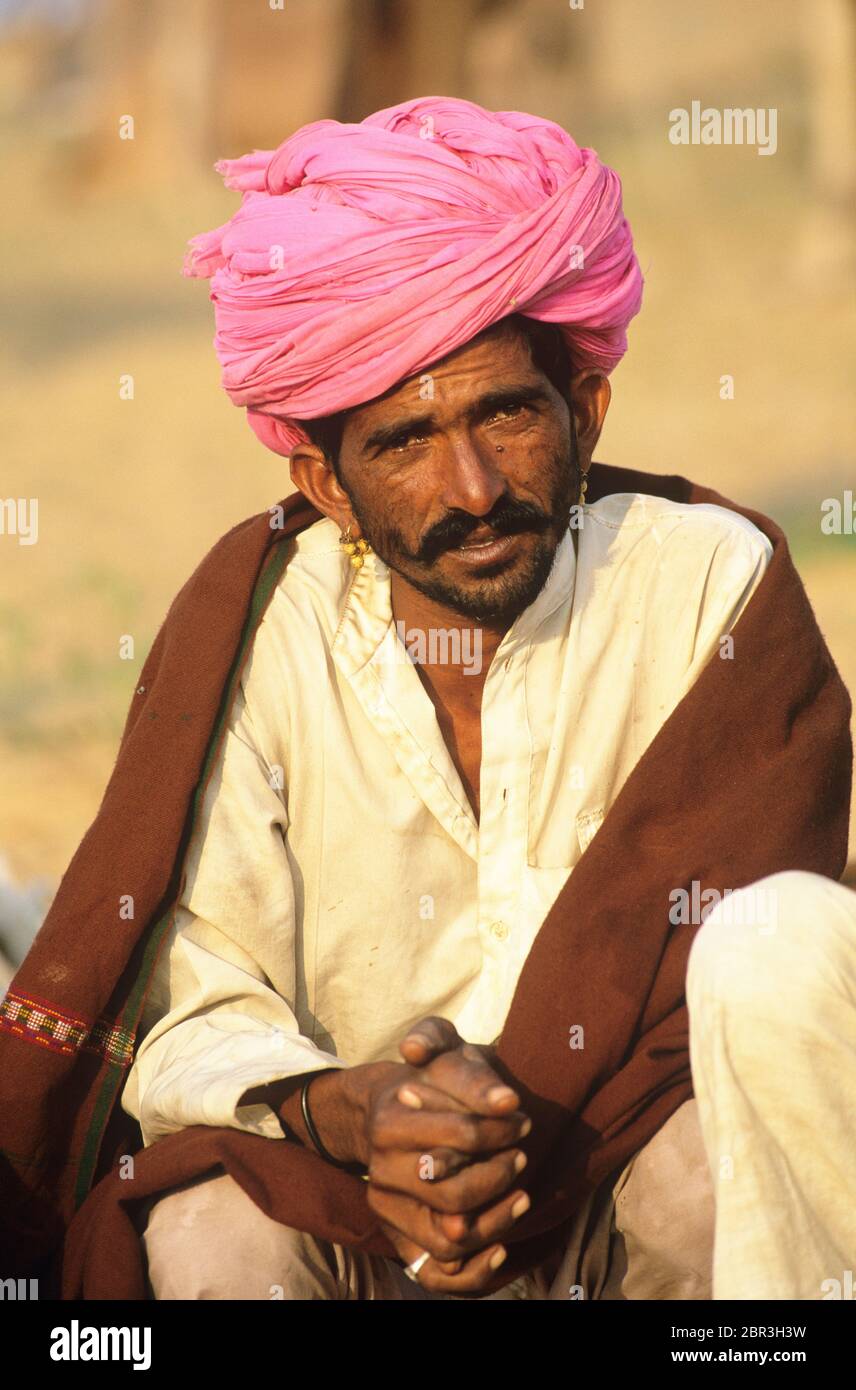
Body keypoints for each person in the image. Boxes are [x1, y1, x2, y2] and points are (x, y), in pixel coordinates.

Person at [1, 98, 852, 1301]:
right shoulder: (258, 635)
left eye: (506, 414)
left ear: (585, 412)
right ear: (326, 484)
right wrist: (347, 1109)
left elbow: (768, 980)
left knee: (727, 1146)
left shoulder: (708, 586)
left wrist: (512, 1134)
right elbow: (195, 1001)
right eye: (403, 441)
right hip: (357, 1202)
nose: (471, 486)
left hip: (629, 1193)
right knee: (209, 1236)